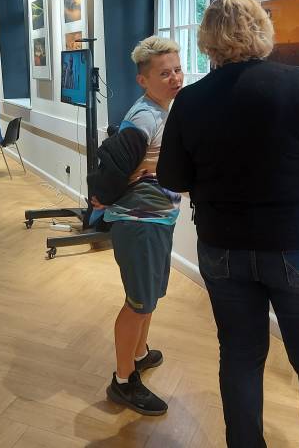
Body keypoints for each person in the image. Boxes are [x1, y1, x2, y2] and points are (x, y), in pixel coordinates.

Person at [158, 0, 299, 447]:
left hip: (222, 248)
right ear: (262, 32)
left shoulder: (190, 99)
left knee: (239, 357)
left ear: (208, 40)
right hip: (298, 245)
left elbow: (171, 176)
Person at [87, 37, 184, 416]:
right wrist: (103, 195)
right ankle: (123, 380)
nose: (175, 78)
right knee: (138, 303)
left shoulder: (163, 110)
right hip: (139, 223)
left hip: (157, 219)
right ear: (144, 80)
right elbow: (114, 162)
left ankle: (139, 353)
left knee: (149, 297)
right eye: (165, 73)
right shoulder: (145, 116)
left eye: (177, 70)